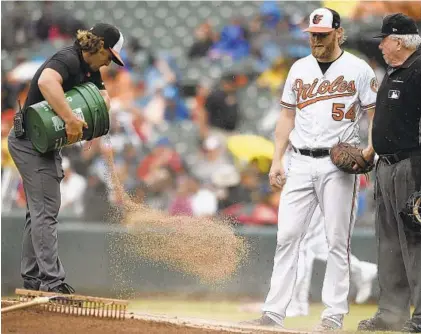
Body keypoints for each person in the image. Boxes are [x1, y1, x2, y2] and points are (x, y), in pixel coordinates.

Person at [243, 7, 377, 331]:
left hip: (338, 166)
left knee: (336, 241)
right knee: (287, 236)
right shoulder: (299, 69)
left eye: (322, 35)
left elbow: (374, 115)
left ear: (338, 33)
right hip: (300, 160)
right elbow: (286, 117)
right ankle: (273, 312)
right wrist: (278, 159)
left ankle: (333, 314)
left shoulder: (359, 69)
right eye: (312, 35)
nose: (316, 40)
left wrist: (370, 150)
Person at [7, 23, 124, 294]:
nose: (109, 63)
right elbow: (47, 81)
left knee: (39, 212)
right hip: (28, 142)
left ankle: (34, 277)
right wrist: (71, 118)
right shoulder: (68, 58)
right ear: (101, 47)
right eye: (110, 56)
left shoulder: (90, 69)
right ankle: (52, 282)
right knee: (46, 210)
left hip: (44, 144)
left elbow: (103, 98)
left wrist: (93, 112)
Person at [357, 13, 421, 333]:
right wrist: (370, 152)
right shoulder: (396, 70)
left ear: (398, 41)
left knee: (415, 242)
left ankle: (420, 317)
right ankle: (391, 313)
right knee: (390, 244)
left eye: (384, 39)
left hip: (413, 165)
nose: (380, 45)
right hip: (387, 165)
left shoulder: (419, 70)